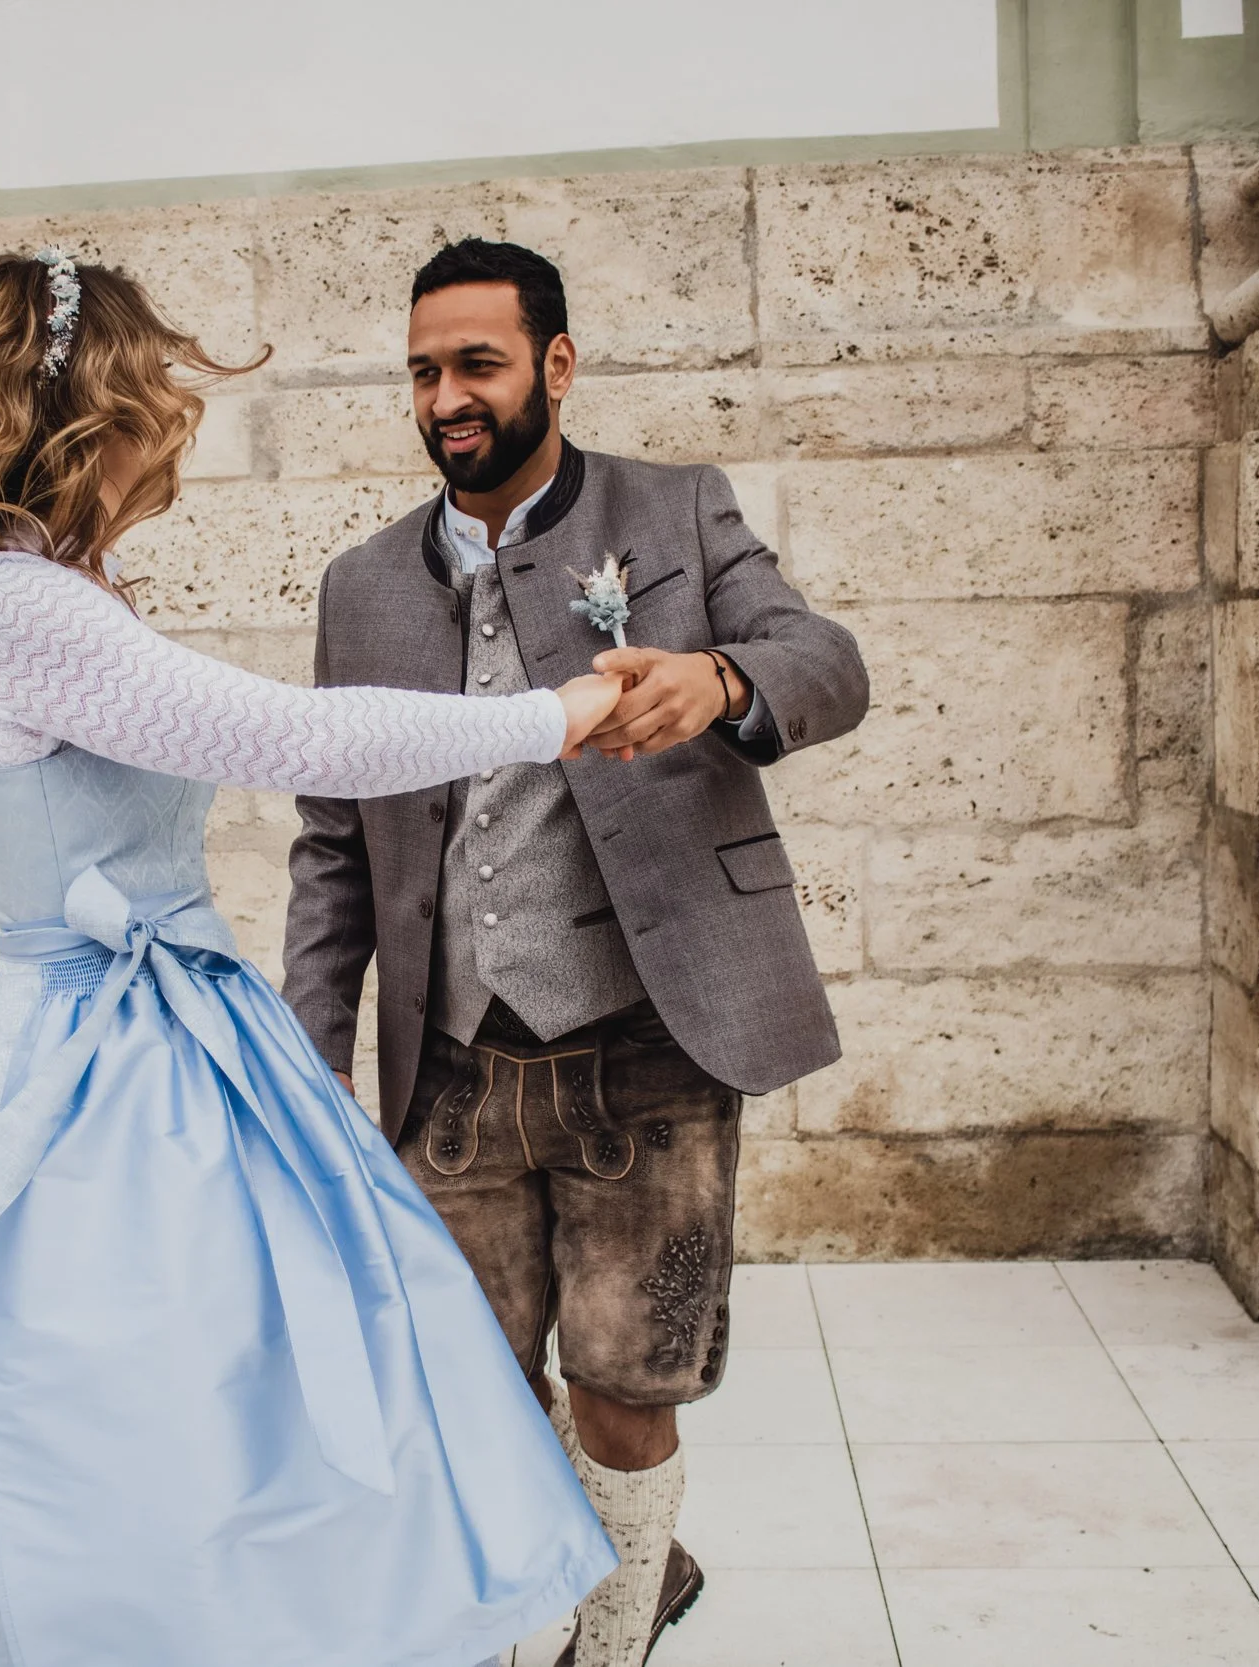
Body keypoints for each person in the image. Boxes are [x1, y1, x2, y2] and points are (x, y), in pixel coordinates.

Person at [0, 251, 626, 1667]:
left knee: (227, 1389)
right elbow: (295, 738)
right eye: (148, 383)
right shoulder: (17, 606)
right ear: (83, 409)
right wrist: (553, 715)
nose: (171, 411)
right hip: (104, 1065)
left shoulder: (44, 589)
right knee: (134, 1399)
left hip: (169, 1031)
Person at [283, 240, 870, 1667]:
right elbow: (334, 845)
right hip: (450, 1067)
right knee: (468, 1392)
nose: (447, 398)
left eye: (478, 364)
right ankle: (549, 1600)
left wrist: (720, 680)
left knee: (624, 1383)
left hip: (648, 1045)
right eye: (424, 371)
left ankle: (610, 1639)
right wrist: (311, 1056)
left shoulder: (674, 509)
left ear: (555, 365)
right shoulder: (362, 586)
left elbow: (827, 662)